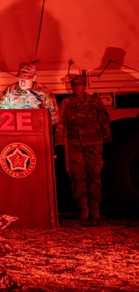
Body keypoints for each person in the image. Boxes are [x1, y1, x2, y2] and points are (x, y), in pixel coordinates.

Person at [56, 75, 112, 219]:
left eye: (79, 84)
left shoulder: (94, 102)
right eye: (73, 84)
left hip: (93, 144)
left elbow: (104, 119)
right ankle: (83, 209)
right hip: (74, 145)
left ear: (84, 86)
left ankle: (95, 209)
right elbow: (61, 124)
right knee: (77, 175)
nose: (76, 87)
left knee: (94, 175)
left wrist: (107, 138)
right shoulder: (66, 103)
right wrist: (59, 142)